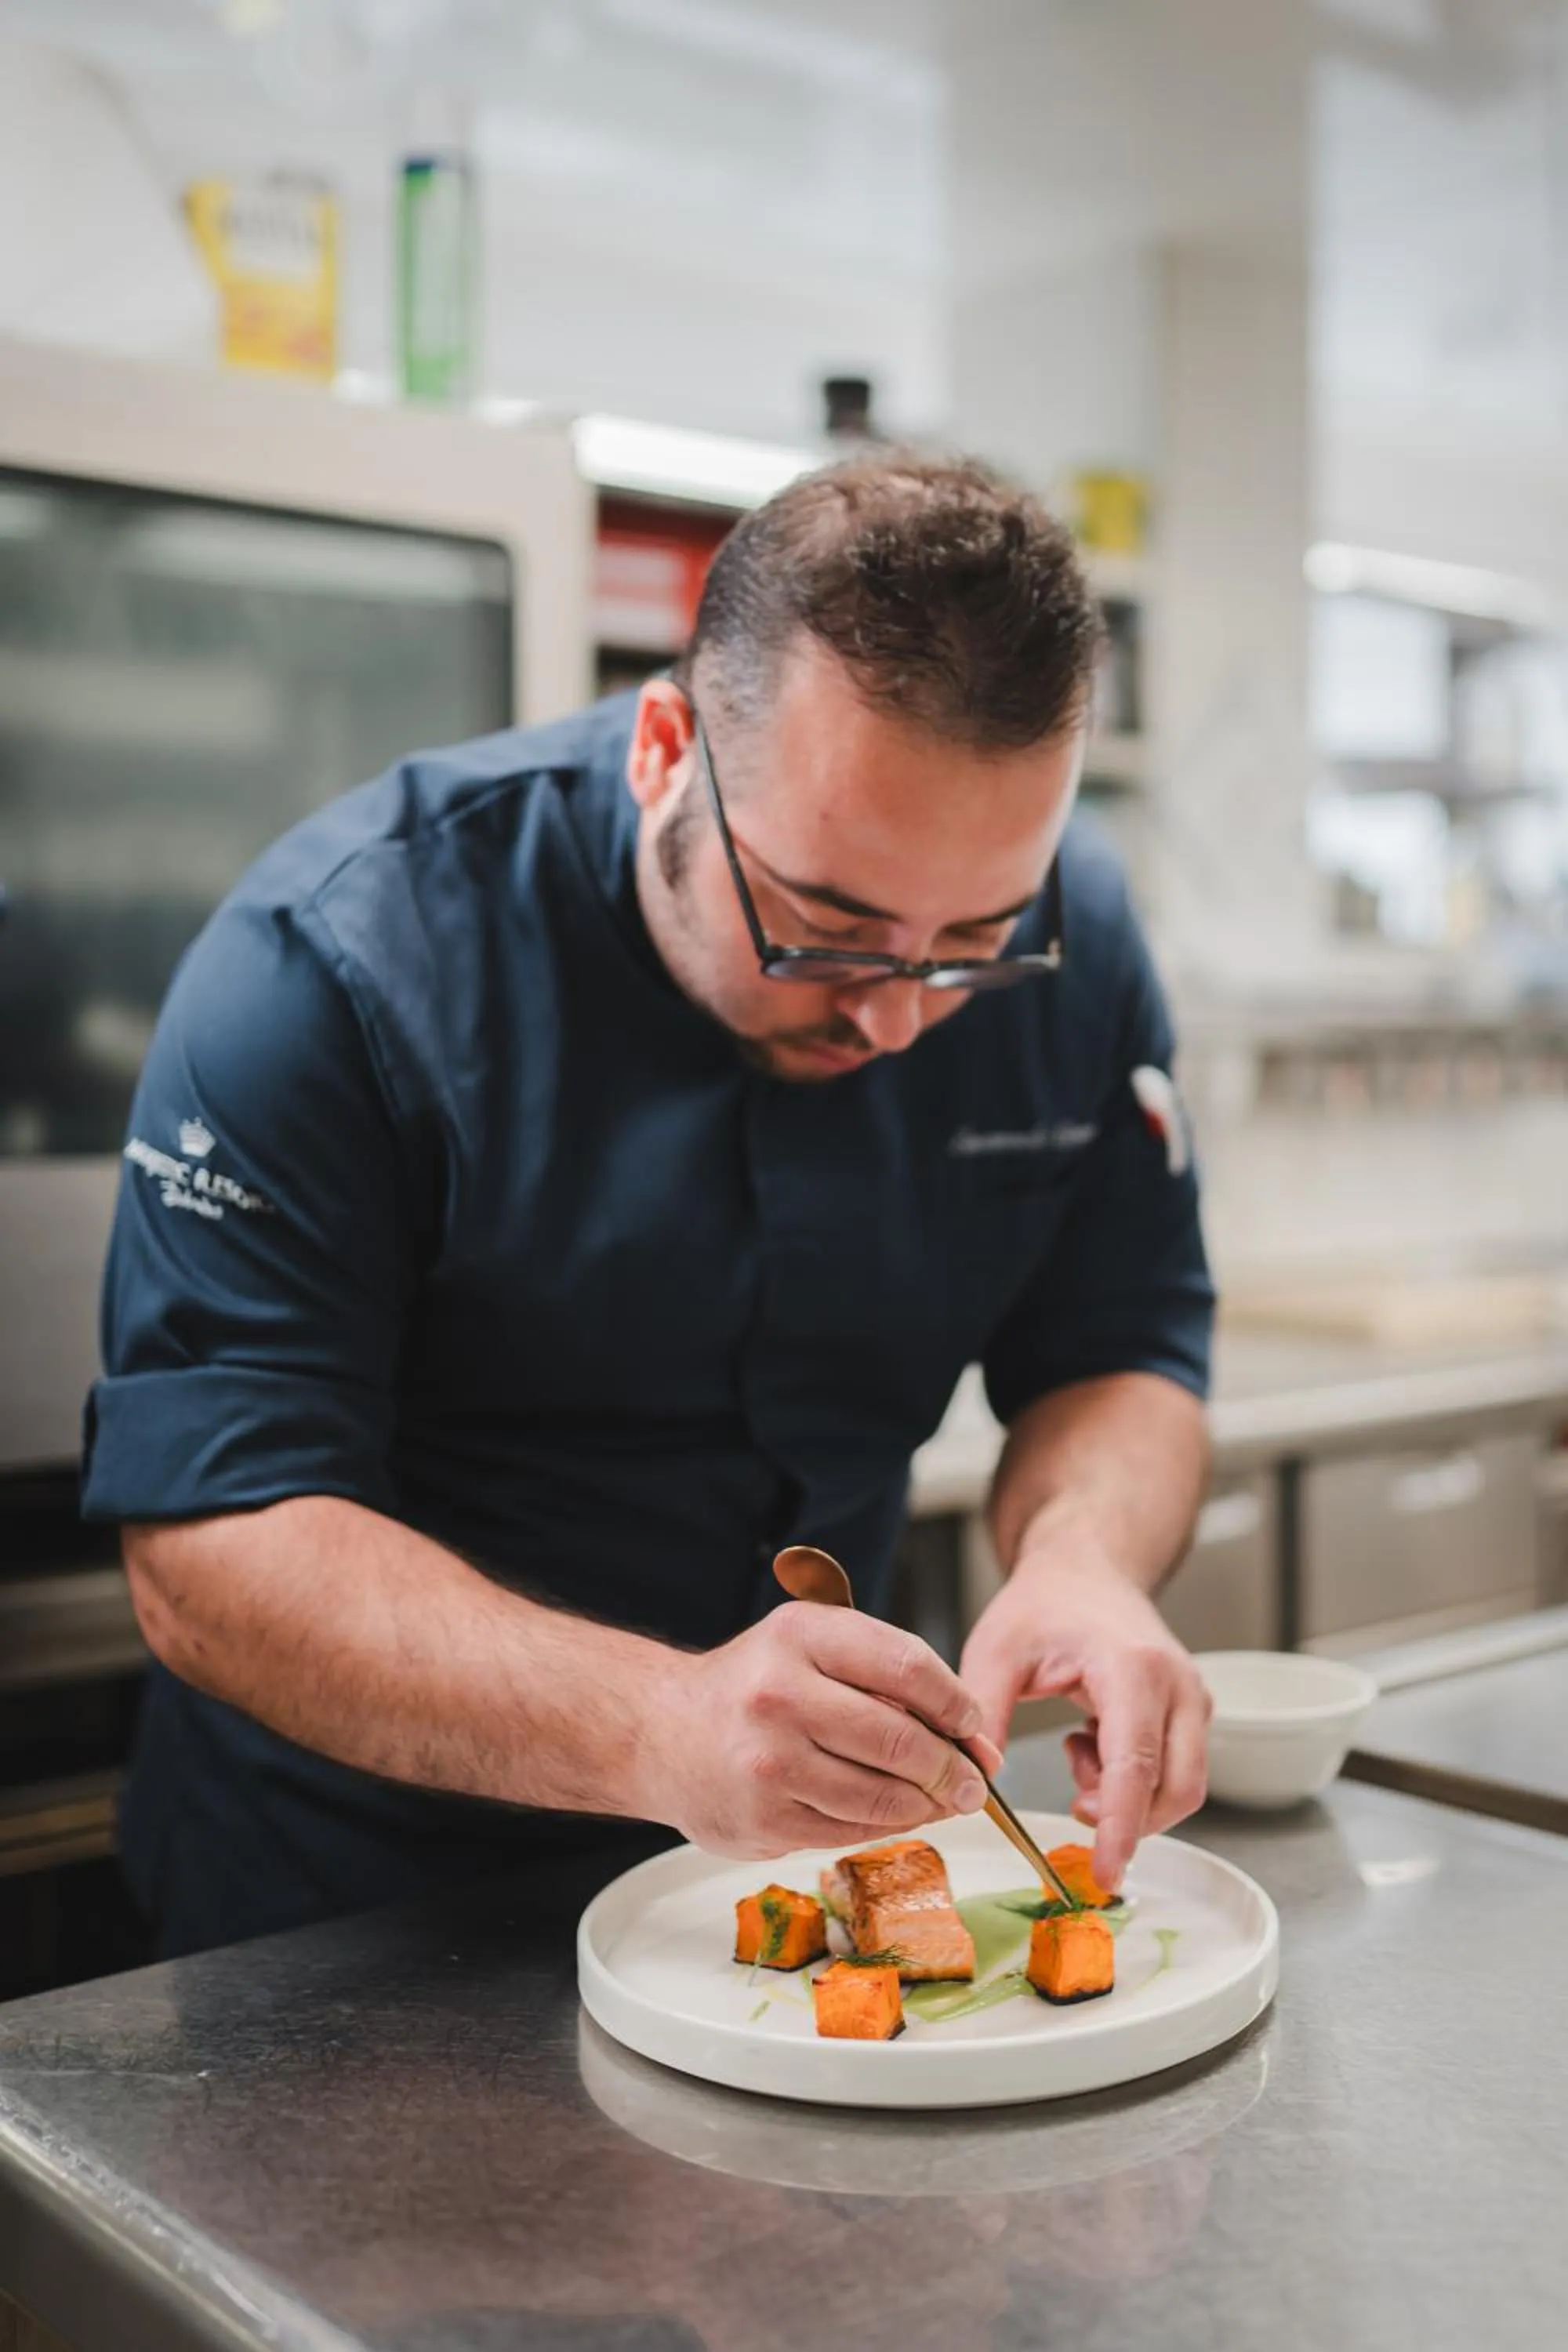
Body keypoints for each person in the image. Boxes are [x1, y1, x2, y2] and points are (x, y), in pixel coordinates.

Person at [83, 453, 1215, 1958]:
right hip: (348, 1925)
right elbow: (214, 1553)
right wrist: (657, 1723)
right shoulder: (334, 966)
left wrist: (1082, 1552)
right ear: (666, 749)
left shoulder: (1077, 935)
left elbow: (1121, 1343)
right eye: (829, 927)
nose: (896, 1020)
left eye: (973, 946)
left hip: (789, 1898)